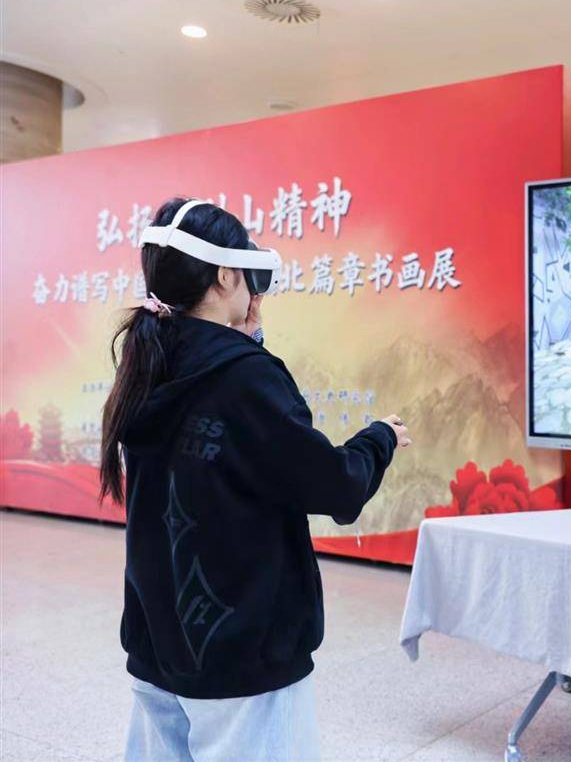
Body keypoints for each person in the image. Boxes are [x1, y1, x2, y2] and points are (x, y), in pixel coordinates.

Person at [99, 197, 410, 761]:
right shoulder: (244, 375)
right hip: (240, 651)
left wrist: (245, 346)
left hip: (156, 641)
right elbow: (334, 485)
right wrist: (379, 438)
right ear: (225, 275)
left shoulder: (147, 360)